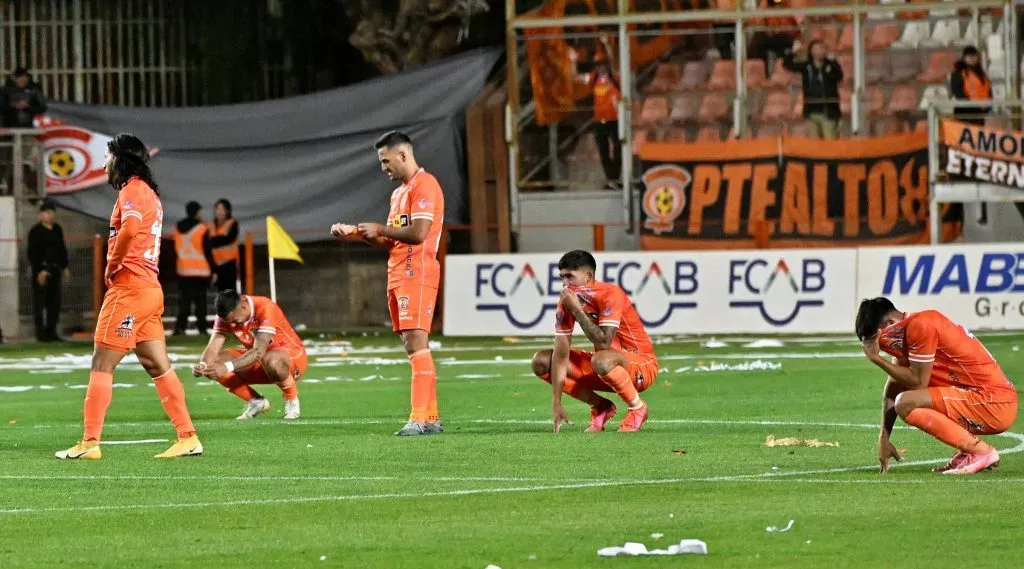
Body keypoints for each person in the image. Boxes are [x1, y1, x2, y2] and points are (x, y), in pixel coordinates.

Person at [56, 133, 202, 460]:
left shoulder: (133, 190)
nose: (104, 163)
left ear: (121, 159)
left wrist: (111, 263)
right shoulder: (149, 193)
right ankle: (188, 436)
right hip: (149, 290)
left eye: (108, 157)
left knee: (102, 362)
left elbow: (131, 229)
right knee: (156, 363)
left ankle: (90, 442)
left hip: (130, 290)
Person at [331, 130, 444, 436]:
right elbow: (390, 241)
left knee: (416, 342)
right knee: (411, 344)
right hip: (397, 272)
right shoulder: (398, 194)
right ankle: (431, 417)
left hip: (418, 272)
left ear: (403, 155)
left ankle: (419, 417)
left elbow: (419, 234)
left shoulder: (426, 185)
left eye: (385, 160)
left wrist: (380, 227)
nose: (383, 168)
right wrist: (357, 235)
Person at [856, 297, 1017, 476]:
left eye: (874, 340)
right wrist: (884, 437)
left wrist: (877, 359)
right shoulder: (912, 330)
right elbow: (894, 386)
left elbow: (918, 382)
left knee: (906, 402)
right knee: (906, 398)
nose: (879, 347)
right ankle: (969, 450)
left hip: (993, 403)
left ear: (889, 323)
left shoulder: (921, 325)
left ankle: (981, 452)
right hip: (982, 398)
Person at [531, 250, 658, 433]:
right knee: (542, 361)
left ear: (588, 276)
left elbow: (605, 342)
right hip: (605, 367)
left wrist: (576, 310)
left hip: (641, 365)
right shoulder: (568, 301)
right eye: (562, 277)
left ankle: (637, 408)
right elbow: (561, 355)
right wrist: (556, 403)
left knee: (601, 358)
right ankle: (601, 406)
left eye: (570, 277)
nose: (565, 283)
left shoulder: (610, 294)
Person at [193, 290, 305, 420]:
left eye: (236, 322)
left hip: (291, 358)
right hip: (260, 360)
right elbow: (213, 347)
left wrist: (227, 367)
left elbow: (258, 352)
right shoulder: (227, 316)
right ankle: (256, 401)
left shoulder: (264, 307)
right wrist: (203, 365)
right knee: (212, 365)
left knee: (271, 359)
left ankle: (291, 399)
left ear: (243, 305)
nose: (233, 326)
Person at [950, 45, 992, 224]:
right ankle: (958, 211)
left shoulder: (983, 75)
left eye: (974, 56)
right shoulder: (959, 74)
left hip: (978, 121)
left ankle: (981, 211)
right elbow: (958, 94)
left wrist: (986, 107)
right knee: (963, 160)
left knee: (978, 162)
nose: (972, 59)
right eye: (969, 56)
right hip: (965, 122)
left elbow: (988, 95)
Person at [26, 200, 69, 342]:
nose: (49, 215)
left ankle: (52, 331)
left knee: (54, 303)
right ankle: (41, 333)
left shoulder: (57, 229)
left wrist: (64, 267)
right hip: (41, 271)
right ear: (41, 214)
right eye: (46, 212)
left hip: (55, 269)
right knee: (40, 303)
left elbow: (62, 249)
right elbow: (32, 253)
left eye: (51, 212)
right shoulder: (35, 231)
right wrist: (40, 270)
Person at [784, 39, 843, 139]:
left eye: (822, 48)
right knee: (814, 144)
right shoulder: (807, 66)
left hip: (828, 111)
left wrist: (834, 62)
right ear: (811, 51)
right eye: (816, 48)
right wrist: (792, 52)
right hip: (811, 111)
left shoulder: (830, 65)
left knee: (830, 141)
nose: (819, 51)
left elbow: (839, 76)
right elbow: (788, 65)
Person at [172, 201, 214, 335]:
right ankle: (202, 328)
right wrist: (213, 269)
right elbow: (208, 250)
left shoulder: (177, 228)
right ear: (196, 212)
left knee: (184, 302)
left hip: (183, 270)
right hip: (200, 271)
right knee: (200, 302)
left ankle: (180, 328)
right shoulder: (202, 228)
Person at [590, 61, 622, 189]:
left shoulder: (615, 82)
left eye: (604, 67)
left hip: (614, 120)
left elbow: (618, 98)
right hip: (599, 120)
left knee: (618, 148)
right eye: (599, 67)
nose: (601, 70)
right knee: (603, 151)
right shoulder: (593, 82)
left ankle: (615, 176)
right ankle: (611, 178)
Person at [209, 198, 240, 292]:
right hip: (216, 263)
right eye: (217, 209)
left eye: (222, 209)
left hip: (229, 263)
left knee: (230, 291)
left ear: (227, 211)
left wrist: (213, 240)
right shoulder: (210, 224)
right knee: (220, 291)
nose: (219, 212)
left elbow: (229, 238)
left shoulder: (232, 223)